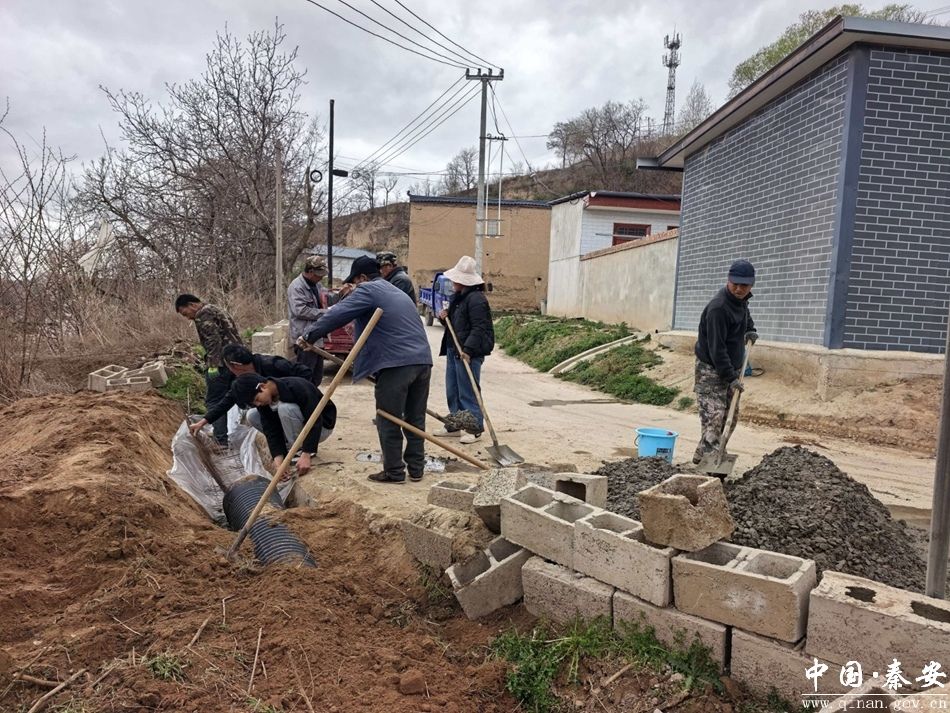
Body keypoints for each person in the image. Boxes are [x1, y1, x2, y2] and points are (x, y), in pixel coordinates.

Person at [301, 256, 431, 485]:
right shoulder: (394, 291)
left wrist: (309, 336)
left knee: (388, 417)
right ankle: (416, 469)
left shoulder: (368, 290)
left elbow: (337, 314)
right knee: (414, 418)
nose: (352, 287)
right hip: (422, 360)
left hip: (396, 363)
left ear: (362, 277)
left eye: (353, 282)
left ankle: (394, 472)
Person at [692, 259, 758, 466]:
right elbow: (717, 350)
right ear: (728, 280)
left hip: (732, 368)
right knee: (714, 417)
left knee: (731, 417)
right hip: (710, 369)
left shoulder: (741, 300)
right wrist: (730, 377)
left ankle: (703, 453)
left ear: (751, 285)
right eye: (735, 284)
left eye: (744, 285)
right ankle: (712, 472)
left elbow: (744, 314)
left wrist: (750, 329)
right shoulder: (718, 308)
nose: (739, 289)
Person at [187, 344, 313, 437]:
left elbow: (305, 372)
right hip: (273, 409)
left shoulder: (272, 364)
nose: (230, 370)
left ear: (236, 365)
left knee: (285, 407)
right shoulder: (243, 379)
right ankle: (284, 441)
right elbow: (227, 401)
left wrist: (293, 394)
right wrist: (203, 422)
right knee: (253, 415)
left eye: (229, 367)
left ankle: (300, 446)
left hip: (296, 406)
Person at [231, 373, 337, 479]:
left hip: (321, 428)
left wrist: (306, 454)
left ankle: (299, 450)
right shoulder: (265, 401)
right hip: (296, 428)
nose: (258, 404)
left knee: (286, 408)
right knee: (252, 415)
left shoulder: (298, 387)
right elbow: (271, 430)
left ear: (262, 387)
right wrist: (279, 461)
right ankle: (288, 447)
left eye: (257, 399)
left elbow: (315, 421)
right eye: (254, 403)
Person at [434, 256, 494, 444]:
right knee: (453, 390)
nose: (452, 282)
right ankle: (455, 425)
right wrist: (444, 317)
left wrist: (468, 350)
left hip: (469, 352)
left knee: (468, 391)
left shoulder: (476, 300)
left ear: (464, 281)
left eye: (455, 280)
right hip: (455, 349)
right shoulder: (458, 298)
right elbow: (454, 325)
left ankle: (474, 428)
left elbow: (479, 328)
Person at [175, 294, 243, 447]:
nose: (188, 318)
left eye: (186, 313)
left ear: (192, 305)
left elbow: (213, 340)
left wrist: (213, 364)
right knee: (239, 394)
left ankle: (220, 440)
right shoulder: (214, 309)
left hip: (222, 362)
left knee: (215, 400)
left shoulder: (203, 314)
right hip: (237, 359)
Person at [287, 256, 336, 387]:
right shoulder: (296, 287)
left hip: (317, 338)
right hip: (304, 340)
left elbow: (327, 298)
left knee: (316, 378)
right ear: (310, 271)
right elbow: (300, 311)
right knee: (305, 378)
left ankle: (313, 398)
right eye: (318, 274)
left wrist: (341, 294)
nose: (321, 277)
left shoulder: (317, 285)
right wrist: (326, 313)